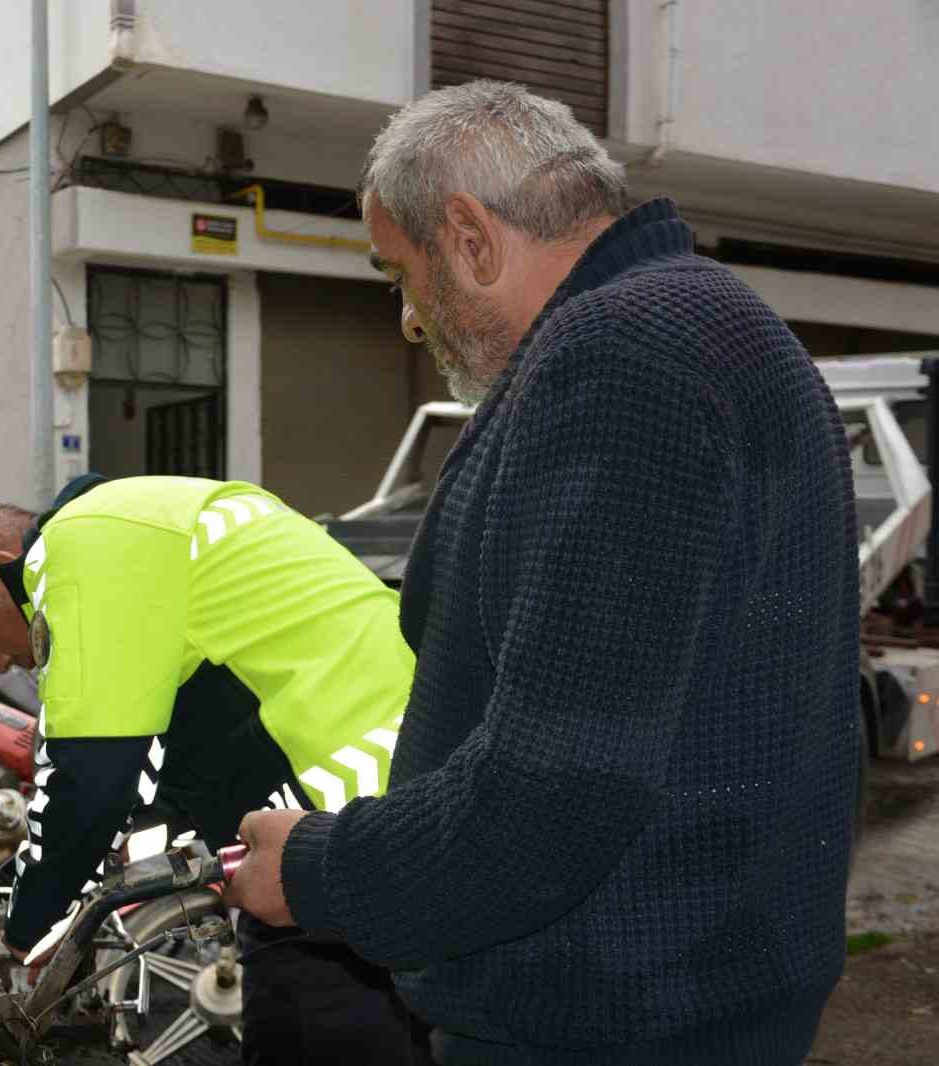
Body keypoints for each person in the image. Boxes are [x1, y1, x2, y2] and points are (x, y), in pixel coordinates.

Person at [226, 80, 860, 1066]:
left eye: (400, 273)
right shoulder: (717, 327)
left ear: (471, 239)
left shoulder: (623, 360)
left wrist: (319, 867)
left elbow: (558, 790)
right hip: (693, 995)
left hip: (606, 1019)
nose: (406, 318)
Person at [0, 474, 420, 1065]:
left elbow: (85, 777)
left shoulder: (77, 549)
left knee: (322, 1028)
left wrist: (19, 927)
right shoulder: (143, 526)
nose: (0, 659)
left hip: (352, 811)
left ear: (0, 567)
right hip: (394, 778)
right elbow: (163, 749)